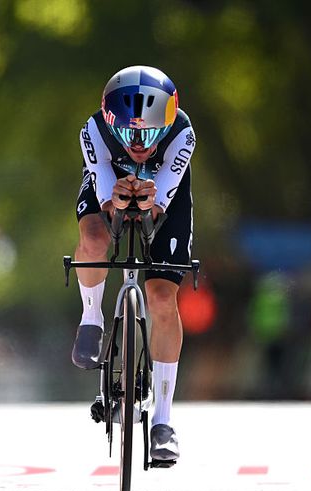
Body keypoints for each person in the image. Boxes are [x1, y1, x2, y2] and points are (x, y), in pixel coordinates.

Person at [72, 65, 196, 463]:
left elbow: (160, 203)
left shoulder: (181, 134)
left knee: (161, 297)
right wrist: (117, 199)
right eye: (128, 133)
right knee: (94, 238)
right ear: (111, 124)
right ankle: (91, 317)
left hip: (164, 193)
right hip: (109, 180)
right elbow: (106, 199)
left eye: (148, 133)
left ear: (168, 121)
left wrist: (149, 201)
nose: (139, 144)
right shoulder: (93, 131)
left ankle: (162, 421)